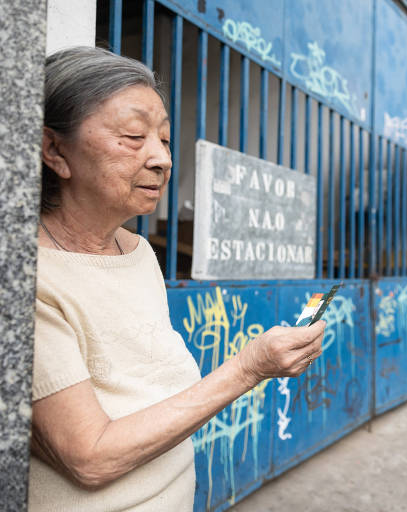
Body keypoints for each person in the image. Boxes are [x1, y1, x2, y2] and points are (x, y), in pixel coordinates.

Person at [30, 46, 325, 511]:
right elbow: (89, 457)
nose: (162, 159)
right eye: (133, 136)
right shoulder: (29, 279)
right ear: (54, 150)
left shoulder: (139, 251)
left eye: (164, 139)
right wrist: (248, 368)